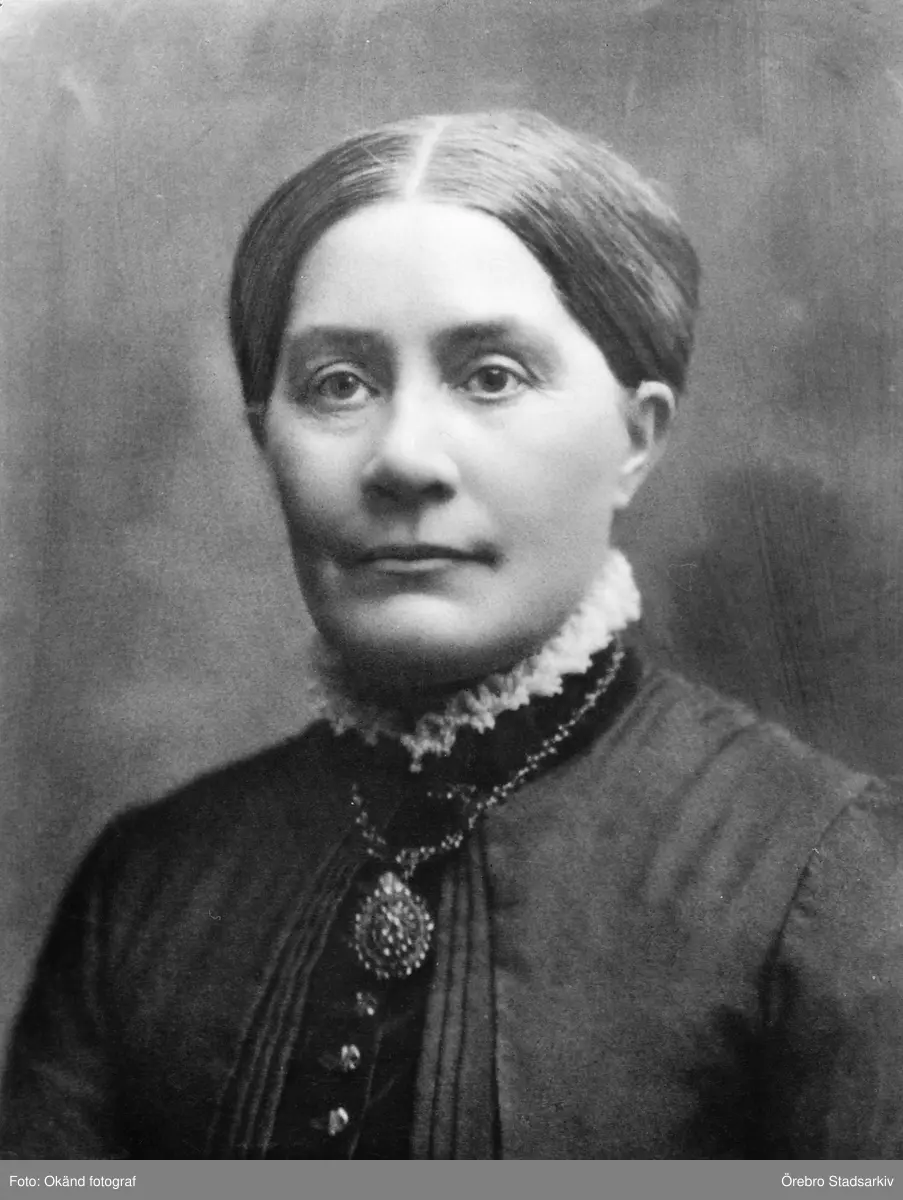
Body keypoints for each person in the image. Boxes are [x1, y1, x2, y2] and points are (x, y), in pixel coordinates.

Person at [2, 109, 903, 1161]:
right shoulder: (148, 887)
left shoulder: (821, 871)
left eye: (491, 377)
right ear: (264, 437)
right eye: (339, 385)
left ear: (636, 437)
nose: (404, 460)